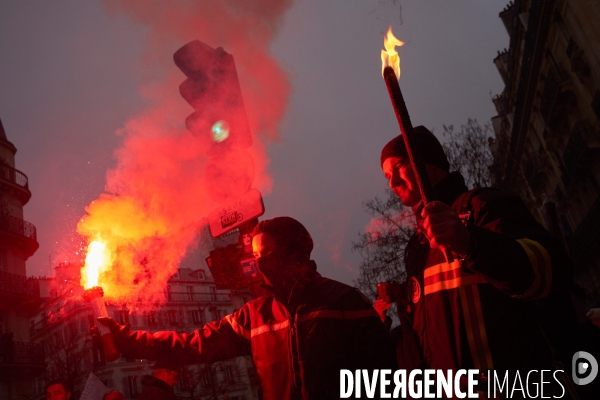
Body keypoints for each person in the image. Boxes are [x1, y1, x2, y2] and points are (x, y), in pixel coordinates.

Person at [96, 216, 396, 400]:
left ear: (295, 252)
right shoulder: (255, 316)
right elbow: (191, 345)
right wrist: (126, 339)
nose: (259, 263)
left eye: (267, 253)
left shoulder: (345, 302)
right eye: (255, 256)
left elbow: (383, 379)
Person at [380, 126, 580, 397]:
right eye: (387, 176)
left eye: (399, 167)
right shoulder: (416, 247)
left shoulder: (482, 205)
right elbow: (426, 341)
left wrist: (470, 243)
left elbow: (549, 272)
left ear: (426, 160)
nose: (392, 182)